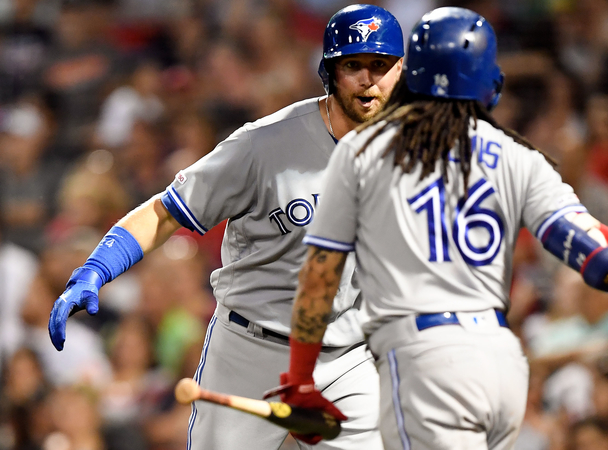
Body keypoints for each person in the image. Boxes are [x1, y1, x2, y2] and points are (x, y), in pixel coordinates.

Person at [278, 6, 608, 449]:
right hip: (500, 367)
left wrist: (300, 377)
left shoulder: (365, 152)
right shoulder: (516, 157)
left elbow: (319, 276)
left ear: (409, 77)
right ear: (491, 86)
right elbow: (606, 258)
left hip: (421, 360)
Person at [47, 4, 405, 449]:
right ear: (329, 73)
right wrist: (97, 267)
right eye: (354, 65)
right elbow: (165, 212)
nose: (369, 79)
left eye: (381, 65)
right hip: (252, 349)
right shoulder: (265, 144)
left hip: (346, 356)